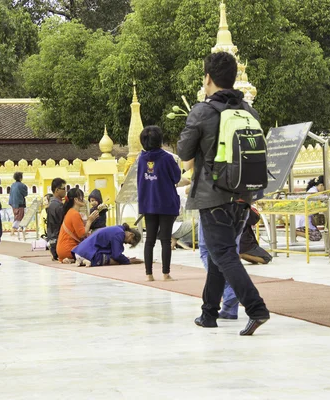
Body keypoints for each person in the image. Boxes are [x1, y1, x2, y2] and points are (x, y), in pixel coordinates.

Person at [177, 51, 270, 336]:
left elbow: (184, 153)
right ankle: (208, 313)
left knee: (223, 254)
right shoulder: (248, 111)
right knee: (221, 253)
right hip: (243, 196)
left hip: (214, 194)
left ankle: (256, 308)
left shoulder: (202, 111)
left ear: (207, 78)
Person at [137, 125, 181, 282]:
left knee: (149, 239)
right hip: (166, 202)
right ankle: (165, 273)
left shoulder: (141, 159)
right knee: (165, 239)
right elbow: (176, 177)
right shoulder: (167, 158)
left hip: (148, 204)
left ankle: (149, 274)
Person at [56, 188, 99, 263]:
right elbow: (82, 234)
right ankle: (76, 258)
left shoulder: (70, 212)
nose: (83, 199)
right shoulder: (74, 214)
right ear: (76, 199)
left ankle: (72, 259)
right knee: (96, 252)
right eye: (82, 197)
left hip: (62, 250)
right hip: (69, 249)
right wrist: (89, 221)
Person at [72, 224, 141, 267]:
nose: (126, 243)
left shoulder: (116, 229)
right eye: (129, 242)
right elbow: (116, 255)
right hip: (87, 253)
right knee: (114, 260)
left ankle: (81, 260)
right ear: (131, 235)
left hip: (79, 252)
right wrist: (128, 261)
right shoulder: (119, 233)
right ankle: (85, 260)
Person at [295, 176, 325, 242]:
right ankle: (297, 232)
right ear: (321, 185)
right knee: (317, 236)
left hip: (304, 217)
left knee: (318, 234)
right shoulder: (314, 193)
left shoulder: (312, 190)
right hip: (304, 219)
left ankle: (298, 231)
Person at [47, 178, 67, 261]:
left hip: (53, 239)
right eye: (64, 189)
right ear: (57, 190)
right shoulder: (57, 206)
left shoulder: (52, 204)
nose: (65, 191)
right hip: (58, 240)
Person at [8, 171, 28, 239]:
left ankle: (22, 231)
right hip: (20, 203)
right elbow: (25, 194)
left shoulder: (12, 185)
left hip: (13, 203)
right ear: (20, 178)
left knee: (18, 216)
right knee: (19, 217)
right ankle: (12, 231)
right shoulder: (22, 185)